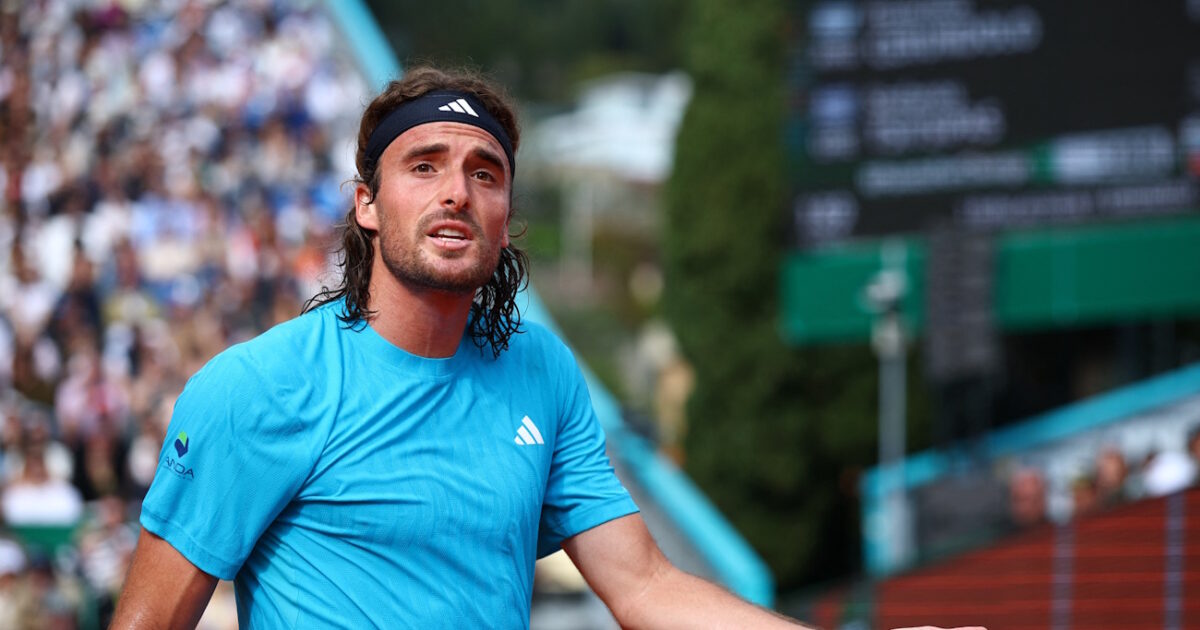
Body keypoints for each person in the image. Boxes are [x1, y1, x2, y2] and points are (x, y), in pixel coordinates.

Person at [111, 66, 976, 630]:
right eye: (424, 165)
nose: (456, 192)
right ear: (366, 204)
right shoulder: (257, 387)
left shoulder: (543, 372)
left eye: (483, 174)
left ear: (506, 217)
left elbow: (645, 586)